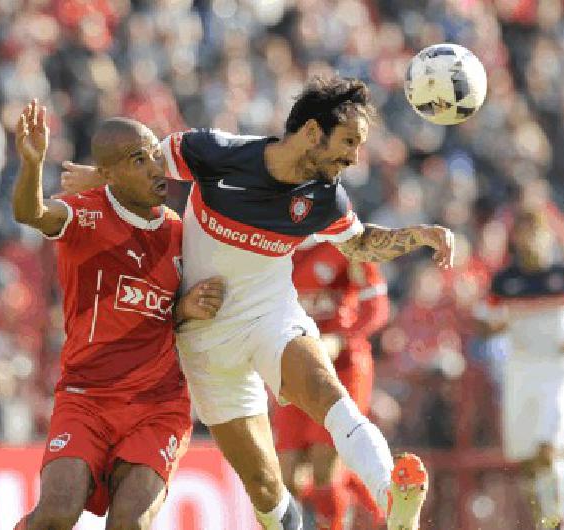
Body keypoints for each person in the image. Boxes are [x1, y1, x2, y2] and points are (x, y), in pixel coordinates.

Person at [62, 76, 455, 530]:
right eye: (348, 142)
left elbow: (361, 243)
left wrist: (419, 236)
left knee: (330, 396)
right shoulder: (215, 152)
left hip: (271, 315)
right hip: (206, 342)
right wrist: (99, 179)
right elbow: (146, 168)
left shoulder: (325, 196)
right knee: (267, 489)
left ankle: (393, 497)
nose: (353, 157)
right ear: (311, 132)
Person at [10, 99, 225, 530]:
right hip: (86, 397)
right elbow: (30, 213)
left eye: (154, 156)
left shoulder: (180, 235)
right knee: (55, 513)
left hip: (157, 405)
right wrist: (32, 165)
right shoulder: (86, 215)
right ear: (109, 174)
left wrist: (185, 305)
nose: (154, 169)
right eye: (138, 160)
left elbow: (167, 312)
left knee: (129, 522)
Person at [475, 207, 564, 529]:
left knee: (550, 446)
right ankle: (542, 520)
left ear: (548, 235)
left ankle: (562, 520)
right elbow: (486, 321)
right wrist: (496, 325)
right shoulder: (505, 281)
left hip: (559, 367)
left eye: (536, 232)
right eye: (524, 232)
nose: (531, 240)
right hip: (521, 368)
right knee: (527, 458)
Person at [274, 239, 390, 528]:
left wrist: (341, 338)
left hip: (344, 366)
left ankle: (349, 514)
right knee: (288, 475)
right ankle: (367, 497)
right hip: (295, 367)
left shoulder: (343, 241)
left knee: (324, 466)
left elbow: (376, 306)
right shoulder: (271, 243)